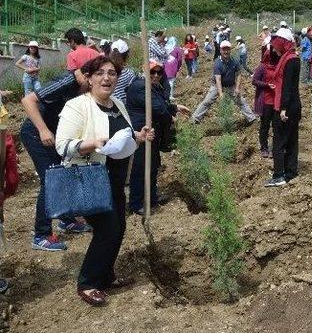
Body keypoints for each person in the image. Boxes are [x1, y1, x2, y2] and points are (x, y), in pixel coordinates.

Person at [54, 56, 153, 305]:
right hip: (90, 179)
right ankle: (88, 282)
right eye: (99, 73)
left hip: (116, 178)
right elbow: (62, 146)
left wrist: (139, 136)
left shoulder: (118, 103)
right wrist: (91, 144)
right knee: (107, 229)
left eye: (111, 73)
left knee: (119, 227)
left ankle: (106, 275)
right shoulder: (77, 106)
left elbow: (123, 135)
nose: (106, 78)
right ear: (88, 78)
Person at [21, 70, 94, 251]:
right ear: (84, 74)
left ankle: (66, 220)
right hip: (37, 133)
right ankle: (41, 235)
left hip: (57, 136)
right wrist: (43, 129)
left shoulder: (88, 89)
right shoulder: (66, 81)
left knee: (66, 173)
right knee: (51, 180)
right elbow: (28, 100)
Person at [126, 61, 188, 215]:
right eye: (152, 72)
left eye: (159, 73)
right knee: (140, 168)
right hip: (141, 134)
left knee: (153, 166)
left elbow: (162, 104)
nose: (156, 75)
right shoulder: (140, 86)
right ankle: (135, 203)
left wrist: (175, 108)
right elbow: (159, 109)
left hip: (152, 134)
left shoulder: (153, 87)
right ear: (144, 70)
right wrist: (171, 117)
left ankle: (152, 197)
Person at [265, 28, 301, 187]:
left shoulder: (289, 60)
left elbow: (287, 86)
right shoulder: (291, 57)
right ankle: (291, 172)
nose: (274, 47)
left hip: (286, 106)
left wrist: (283, 108)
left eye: (276, 44)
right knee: (292, 140)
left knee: (279, 141)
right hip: (293, 105)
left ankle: (279, 175)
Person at [191, 40, 257, 124]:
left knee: (240, 101)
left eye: (228, 49)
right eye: (224, 49)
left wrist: (237, 88)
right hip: (216, 85)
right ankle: (195, 119)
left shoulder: (234, 60)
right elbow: (218, 80)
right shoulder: (217, 63)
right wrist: (221, 93)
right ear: (220, 50)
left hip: (230, 85)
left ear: (230, 50)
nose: (226, 51)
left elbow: (239, 74)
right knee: (207, 101)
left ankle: (251, 118)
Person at [252, 39, 277, 157]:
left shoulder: (278, 66)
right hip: (266, 101)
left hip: (276, 101)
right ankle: (264, 147)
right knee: (265, 125)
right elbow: (254, 81)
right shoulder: (262, 67)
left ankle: (275, 147)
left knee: (276, 126)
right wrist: (267, 85)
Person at [109, 39, 137, 103]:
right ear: (127, 56)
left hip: (108, 106)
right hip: (123, 108)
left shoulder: (105, 72)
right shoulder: (129, 73)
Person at [162, 36, 183, 101]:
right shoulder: (177, 49)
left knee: (164, 81)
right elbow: (179, 59)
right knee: (171, 81)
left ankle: (164, 95)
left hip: (164, 65)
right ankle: (170, 95)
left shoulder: (164, 48)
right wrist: (178, 67)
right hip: (173, 66)